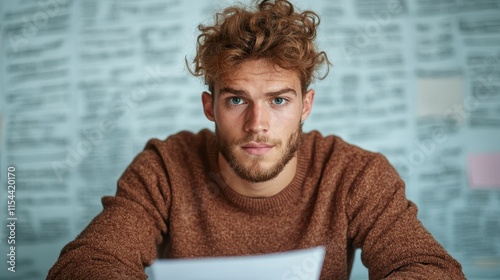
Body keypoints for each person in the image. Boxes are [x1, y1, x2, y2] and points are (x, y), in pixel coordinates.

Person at [48, 0, 465, 279]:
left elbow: (427, 267)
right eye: (236, 100)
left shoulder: (354, 175)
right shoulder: (165, 167)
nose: (256, 124)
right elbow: (88, 263)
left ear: (305, 106)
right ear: (210, 107)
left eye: (279, 100)